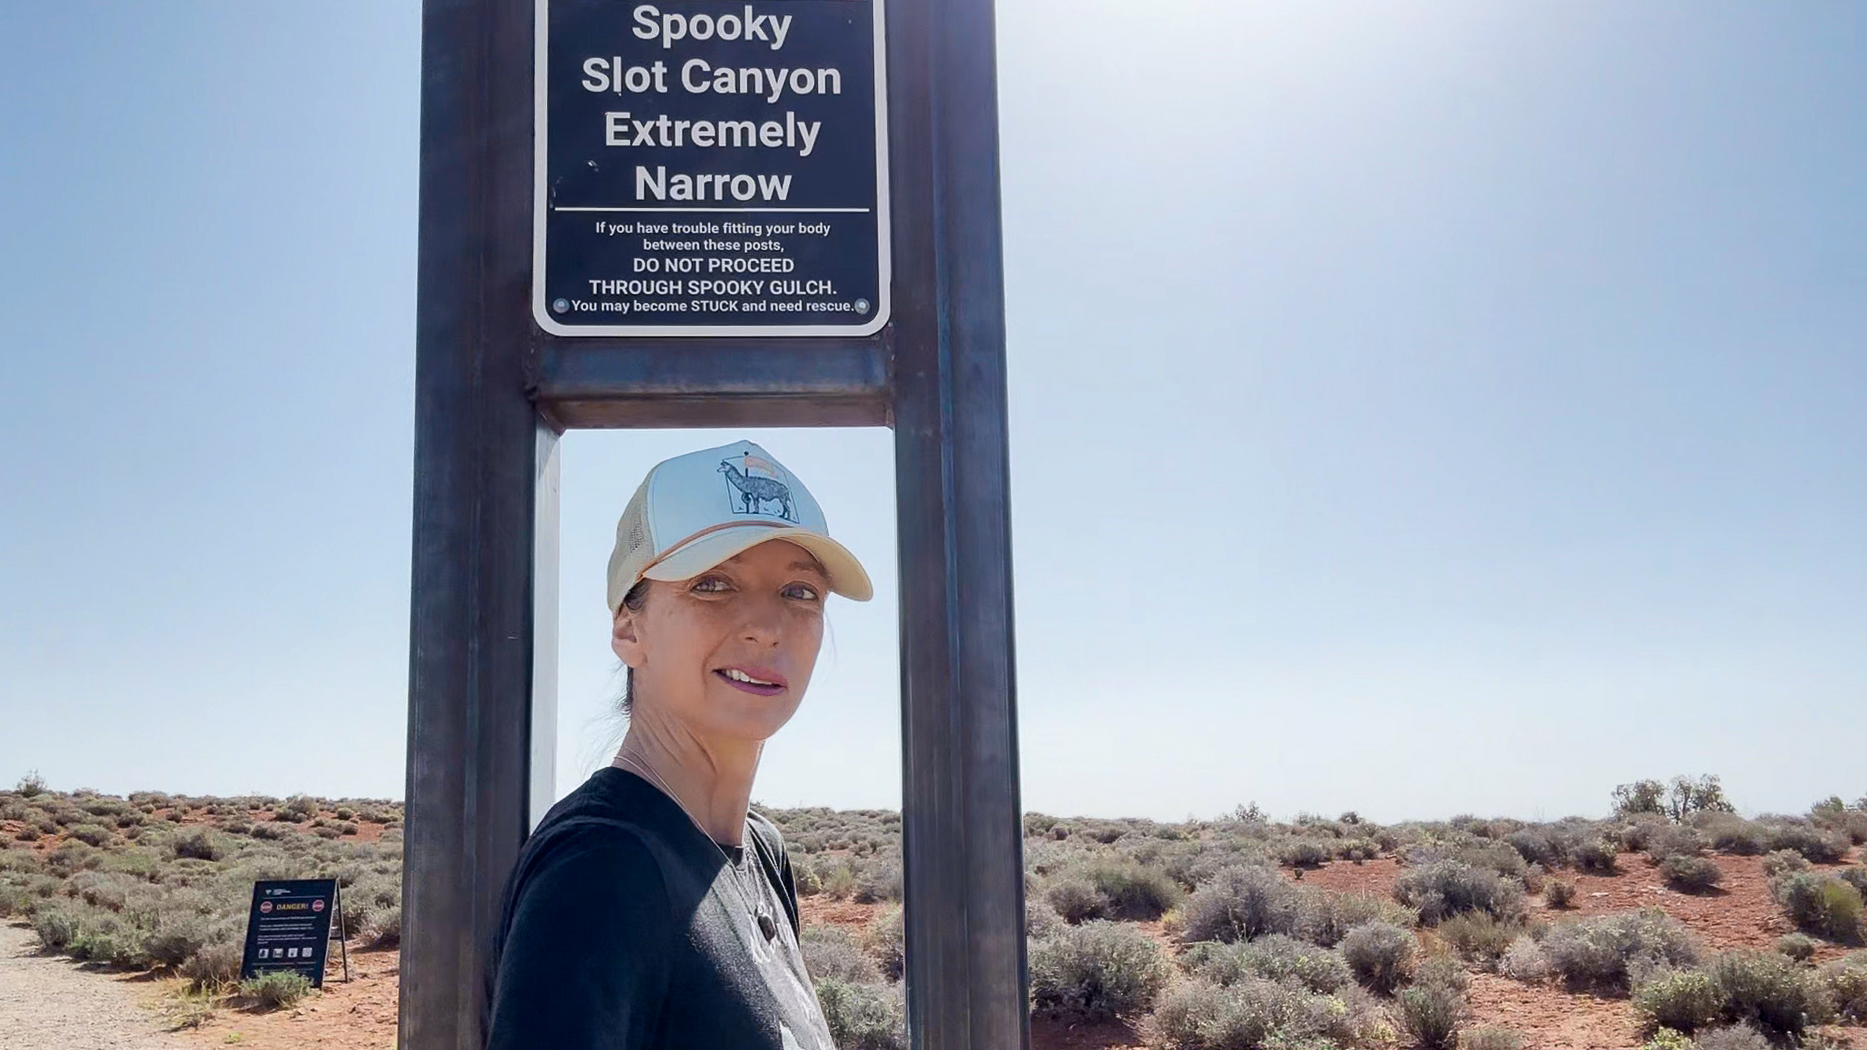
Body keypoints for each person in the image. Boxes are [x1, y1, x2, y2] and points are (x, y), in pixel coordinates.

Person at [483, 439, 873, 1050]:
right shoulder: (600, 874)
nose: (768, 627)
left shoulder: (760, 852)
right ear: (628, 627)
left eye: (800, 592)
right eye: (713, 584)